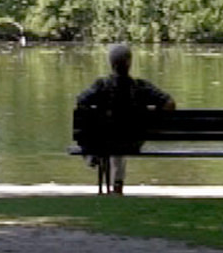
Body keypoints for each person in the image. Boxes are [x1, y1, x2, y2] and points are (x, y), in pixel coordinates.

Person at [74, 42, 174, 195]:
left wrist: (97, 114)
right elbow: (169, 103)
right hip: (133, 141)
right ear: (130, 63)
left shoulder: (102, 86)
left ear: (111, 63)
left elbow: (81, 101)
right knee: (120, 137)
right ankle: (117, 183)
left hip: (105, 140)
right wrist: (153, 115)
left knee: (106, 135)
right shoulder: (140, 87)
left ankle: (92, 157)